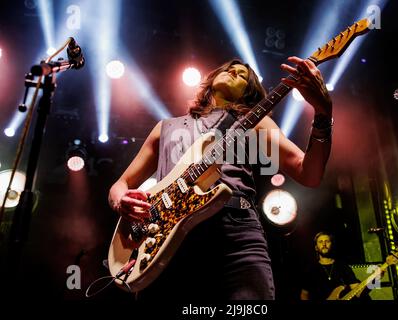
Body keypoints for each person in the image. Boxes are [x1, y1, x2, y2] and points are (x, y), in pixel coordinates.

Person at [108, 57, 333, 300]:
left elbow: (309, 174)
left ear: (249, 93)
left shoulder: (256, 123)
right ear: (212, 78)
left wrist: (322, 112)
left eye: (243, 76)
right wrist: (121, 201)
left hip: (235, 237)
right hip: (164, 243)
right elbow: (121, 184)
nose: (235, 72)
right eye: (229, 69)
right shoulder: (165, 127)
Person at [300, 231, 372, 300]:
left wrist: (376, 280)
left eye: (327, 241)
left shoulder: (343, 266)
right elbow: (304, 295)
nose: (324, 244)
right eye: (320, 242)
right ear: (316, 247)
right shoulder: (311, 269)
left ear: (332, 245)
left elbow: (357, 292)